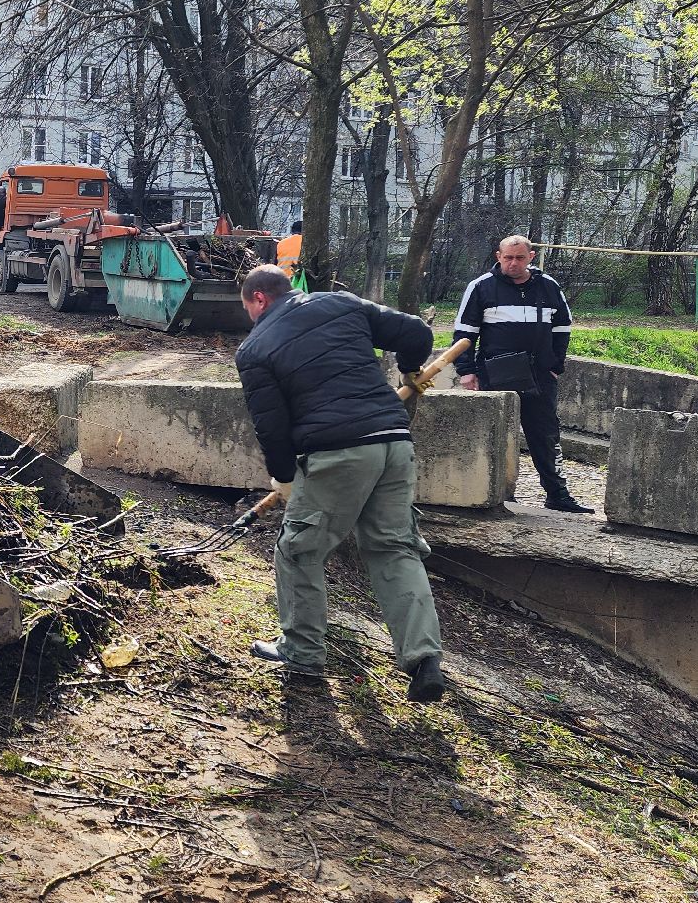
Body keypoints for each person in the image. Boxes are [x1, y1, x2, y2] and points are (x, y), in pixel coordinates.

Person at [234, 264, 447, 703]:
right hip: (393, 442)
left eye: (249, 310)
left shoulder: (255, 349)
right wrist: (409, 370)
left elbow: (271, 425)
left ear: (259, 300)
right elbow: (417, 335)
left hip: (337, 452)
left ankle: (303, 650)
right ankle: (423, 657)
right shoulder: (340, 302)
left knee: (298, 549)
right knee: (394, 548)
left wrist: (285, 476)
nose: (251, 319)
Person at [452, 235, 592, 514]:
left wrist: (555, 366)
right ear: (498, 256)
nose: (512, 263)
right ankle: (497, 494)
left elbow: (562, 328)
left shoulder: (548, 286)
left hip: (540, 375)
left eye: (518, 258)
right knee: (497, 434)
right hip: (496, 372)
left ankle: (557, 495)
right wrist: (466, 372)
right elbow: (464, 333)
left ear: (531, 256)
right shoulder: (481, 287)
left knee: (546, 434)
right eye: (507, 258)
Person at [275, 220, 307, 292]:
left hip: (281, 280)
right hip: (298, 281)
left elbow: (275, 263)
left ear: (292, 230)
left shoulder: (281, 243)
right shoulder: (305, 242)